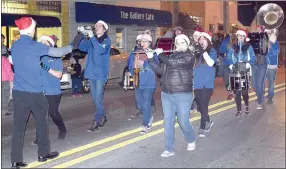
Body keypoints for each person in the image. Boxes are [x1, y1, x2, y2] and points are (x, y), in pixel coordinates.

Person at [10, 16, 79, 168]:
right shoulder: (35, 46)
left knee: (18, 127)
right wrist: (71, 46)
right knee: (42, 123)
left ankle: (16, 160)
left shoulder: (14, 46)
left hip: (18, 92)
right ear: (32, 30)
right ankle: (43, 154)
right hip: (34, 93)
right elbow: (57, 52)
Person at [147, 34, 196, 157]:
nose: (179, 45)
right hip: (167, 94)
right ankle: (169, 148)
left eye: (182, 42)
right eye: (177, 43)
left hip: (183, 93)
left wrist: (160, 54)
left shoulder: (189, 56)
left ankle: (191, 139)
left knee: (183, 120)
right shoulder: (170, 57)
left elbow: (173, 63)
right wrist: (151, 58)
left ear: (187, 44)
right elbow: (159, 70)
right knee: (168, 121)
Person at [33, 35, 67, 145]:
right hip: (40, 91)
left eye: (45, 42)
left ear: (50, 45)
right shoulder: (38, 57)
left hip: (53, 91)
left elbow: (59, 75)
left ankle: (62, 129)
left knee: (53, 113)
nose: (42, 44)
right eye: (41, 42)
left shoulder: (56, 57)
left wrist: (45, 66)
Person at [77, 20, 111, 132]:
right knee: (96, 99)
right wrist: (82, 34)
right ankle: (103, 116)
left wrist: (92, 37)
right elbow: (82, 47)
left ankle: (96, 122)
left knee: (98, 98)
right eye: (95, 26)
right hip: (91, 73)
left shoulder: (107, 40)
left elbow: (100, 50)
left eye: (99, 26)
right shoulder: (92, 40)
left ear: (104, 29)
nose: (96, 27)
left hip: (101, 74)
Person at [127, 32, 159, 134]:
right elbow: (130, 66)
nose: (143, 43)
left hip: (149, 83)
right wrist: (132, 70)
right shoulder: (135, 53)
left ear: (149, 43)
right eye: (142, 41)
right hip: (138, 81)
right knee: (140, 105)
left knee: (146, 103)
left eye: (145, 41)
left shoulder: (153, 53)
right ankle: (149, 116)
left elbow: (157, 67)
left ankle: (145, 125)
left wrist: (146, 63)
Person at [227, 29, 256, 118]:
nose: (240, 37)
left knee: (244, 92)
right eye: (239, 35)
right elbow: (228, 58)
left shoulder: (248, 47)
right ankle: (239, 110)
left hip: (244, 70)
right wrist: (230, 64)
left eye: (242, 36)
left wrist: (249, 63)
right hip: (235, 70)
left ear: (244, 37)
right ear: (237, 37)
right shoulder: (232, 47)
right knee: (237, 93)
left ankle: (246, 106)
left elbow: (253, 58)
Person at [193, 31, 217, 137]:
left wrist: (203, 52)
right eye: (200, 39)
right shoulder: (196, 51)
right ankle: (208, 120)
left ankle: (202, 127)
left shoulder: (212, 50)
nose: (201, 40)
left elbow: (211, 62)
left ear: (208, 41)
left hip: (207, 83)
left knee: (204, 104)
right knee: (200, 105)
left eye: (204, 38)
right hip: (197, 81)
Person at [189, 28, 203, 114]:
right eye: (194, 36)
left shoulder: (202, 46)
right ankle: (191, 106)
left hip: (199, 70)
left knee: (198, 90)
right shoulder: (191, 45)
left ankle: (200, 107)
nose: (195, 37)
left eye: (197, 36)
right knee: (190, 89)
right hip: (191, 69)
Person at [264, 29, 280, 104]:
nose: (268, 34)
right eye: (267, 32)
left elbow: (275, 52)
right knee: (262, 82)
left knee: (271, 84)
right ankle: (263, 96)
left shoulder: (275, 42)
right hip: (264, 66)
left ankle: (270, 97)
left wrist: (269, 47)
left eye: (269, 33)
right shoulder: (266, 41)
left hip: (271, 66)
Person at [219, 34, 235, 100]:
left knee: (234, 79)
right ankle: (230, 93)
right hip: (226, 63)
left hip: (235, 64)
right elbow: (220, 50)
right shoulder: (226, 41)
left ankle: (234, 93)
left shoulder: (238, 42)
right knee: (226, 80)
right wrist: (226, 49)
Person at [1, 44, 14, 116]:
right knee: (5, 95)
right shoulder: (5, 60)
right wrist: (12, 79)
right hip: (5, 79)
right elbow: (8, 70)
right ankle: (4, 110)